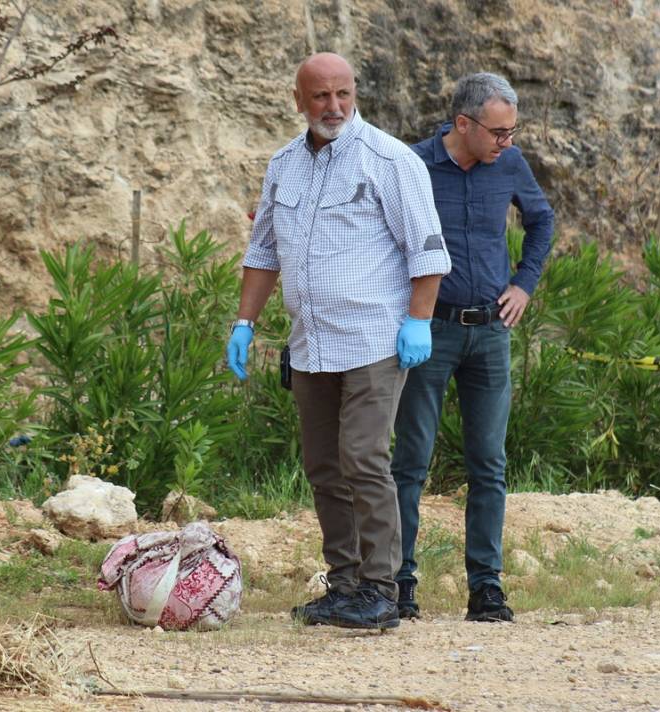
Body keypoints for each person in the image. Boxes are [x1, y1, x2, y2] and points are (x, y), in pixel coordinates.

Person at [226, 52, 451, 630]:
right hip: (311, 343)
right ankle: (344, 583)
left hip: (374, 337)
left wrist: (418, 319)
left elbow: (426, 250)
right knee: (324, 465)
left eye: (344, 94)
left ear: (355, 94)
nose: (334, 107)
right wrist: (244, 323)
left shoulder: (389, 159)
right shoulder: (283, 165)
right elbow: (263, 252)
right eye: (321, 97)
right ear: (298, 100)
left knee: (364, 458)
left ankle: (383, 588)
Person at [391, 72, 554, 622]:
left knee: (489, 463)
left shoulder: (509, 163)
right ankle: (398, 581)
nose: (507, 142)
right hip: (428, 332)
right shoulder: (411, 165)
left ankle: (486, 587)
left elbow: (542, 220)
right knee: (410, 462)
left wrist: (525, 284)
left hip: (489, 332)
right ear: (463, 124)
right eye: (499, 132)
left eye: (512, 131)